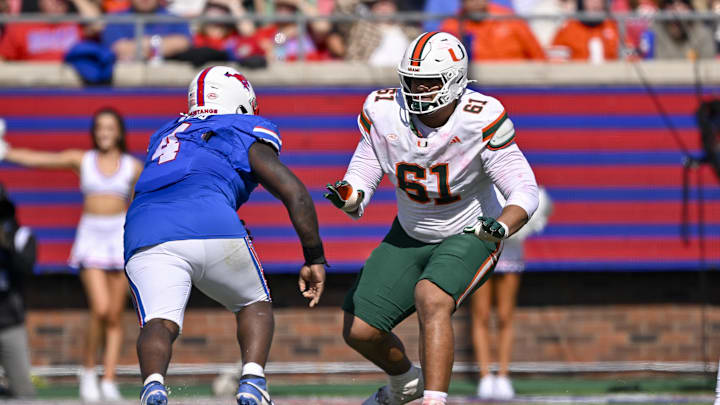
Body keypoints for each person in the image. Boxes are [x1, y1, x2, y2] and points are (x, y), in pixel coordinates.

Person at [324, 32, 539, 405]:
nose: (418, 90)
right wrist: (351, 194)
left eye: (429, 82)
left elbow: (524, 189)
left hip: (469, 231)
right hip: (409, 232)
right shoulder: (384, 110)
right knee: (359, 329)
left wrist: (501, 225)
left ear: (455, 80)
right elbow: (365, 166)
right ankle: (407, 382)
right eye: (412, 80)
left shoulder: (480, 118)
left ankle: (434, 401)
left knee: (431, 295)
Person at [124, 65, 327, 405]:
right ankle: (252, 380)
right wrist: (314, 257)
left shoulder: (166, 134)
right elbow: (295, 193)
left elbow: (178, 182)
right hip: (211, 221)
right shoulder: (240, 128)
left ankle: (154, 384)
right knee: (253, 304)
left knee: (159, 320)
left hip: (144, 228)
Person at [0, 108, 143, 402]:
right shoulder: (83, 160)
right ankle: (88, 371)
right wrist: (6, 152)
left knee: (115, 315)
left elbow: (148, 197)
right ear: (94, 132)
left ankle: (109, 379)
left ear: (119, 132)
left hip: (119, 237)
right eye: (100, 127)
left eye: (110, 127)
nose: (105, 133)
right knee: (100, 308)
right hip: (91, 237)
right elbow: (43, 160)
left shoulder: (132, 166)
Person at [471, 186, 552, 400]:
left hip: (512, 253)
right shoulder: (481, 181)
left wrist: (517, 226)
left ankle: (503, 375)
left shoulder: (517, 179)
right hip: (481, 251)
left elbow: (534, 206)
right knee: (481, 315)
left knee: (506, 316)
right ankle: (485, 377)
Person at [0, 181, 37, 399]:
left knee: (24, 393)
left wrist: (7, 246)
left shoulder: (21, 236)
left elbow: (26, 268)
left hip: (9, 324)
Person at [440, 0, 546, 61]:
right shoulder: (453, 25)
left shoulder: (508, 17)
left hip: (517, 80)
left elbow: (536, 54)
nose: (475, 3)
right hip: (476, 83)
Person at [0, 0, 101, 61]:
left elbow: (98, 25)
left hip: (72, 87)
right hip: (32, 88)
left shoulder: (77, 25)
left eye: (61, 1)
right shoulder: (21, 27)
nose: (57, 3)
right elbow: (3, 60)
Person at [101, 0, 191, 62]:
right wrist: (160, 46)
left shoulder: (175, 19)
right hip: (127, 82)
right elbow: (118, 48)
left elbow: (183, 43)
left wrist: (140, 45)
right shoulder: (116, 19)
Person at [550, 0, 620, 62]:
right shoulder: (567, 29)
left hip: (610, 75)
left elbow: (628, 57)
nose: (596, 3)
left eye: (600, 0)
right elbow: (555, 63)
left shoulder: (612, 27)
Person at [646, 0, 715, 59]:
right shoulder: (654, 32)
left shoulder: (703, 34)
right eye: (670, 3)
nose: (676, 9)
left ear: (690, 8)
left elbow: (708, 67)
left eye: (682, 3)